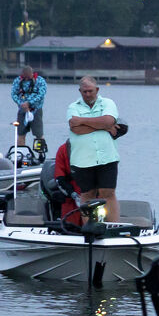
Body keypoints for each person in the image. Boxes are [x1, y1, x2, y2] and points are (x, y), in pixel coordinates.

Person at [66, 76, 122, 222]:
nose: (87, 94)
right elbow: (76, 129)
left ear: (97, 90)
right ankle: (89, 228)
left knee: (108, 193)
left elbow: (109, 120)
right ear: (80, 91)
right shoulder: (73, 107)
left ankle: (113, 227)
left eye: (90, 91)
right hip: (82, 160)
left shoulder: (108, 103)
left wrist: (82, 121)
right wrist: (103, 126)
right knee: (87, 194)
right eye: (84, 92)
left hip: (107, 157)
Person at [10, 66, 49, 148]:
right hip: (22, 110)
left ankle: (40, 153)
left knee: (39, 134)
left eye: (28, 77)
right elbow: (13, 94)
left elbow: (41, 94)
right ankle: (21, 152)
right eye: (25, 77)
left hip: (36, 110)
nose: (27, 79)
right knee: (21, 133)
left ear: (32, 74)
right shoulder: (17, 81)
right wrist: (22, 104)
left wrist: (29, 103)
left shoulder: (40, 80)